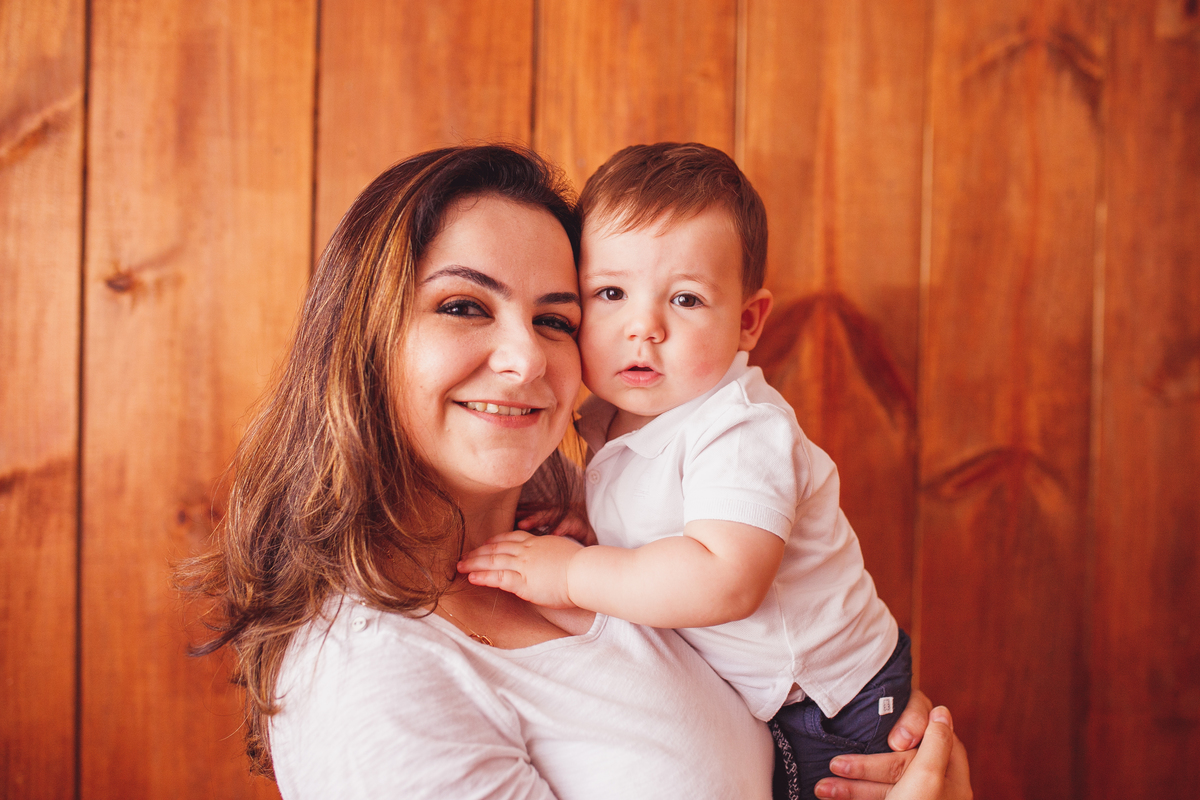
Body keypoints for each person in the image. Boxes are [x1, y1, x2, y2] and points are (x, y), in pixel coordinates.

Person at [184, 143, 969, 799]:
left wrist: (899, 759)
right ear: (362, 340)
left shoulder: (601, 529)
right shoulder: (369, 673)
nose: (527, 358)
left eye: (556, 319)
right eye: (464, 306)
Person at [459, 143, 909, 800]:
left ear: (748, 322)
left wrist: (571, 572)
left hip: (834, 702)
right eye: (610, 292)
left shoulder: (739, 428)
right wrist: (586, 522)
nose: (644, 327)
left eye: (688, 300)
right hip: (770, 698)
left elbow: (723, 579)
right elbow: (655, 519)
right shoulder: (615, 417)